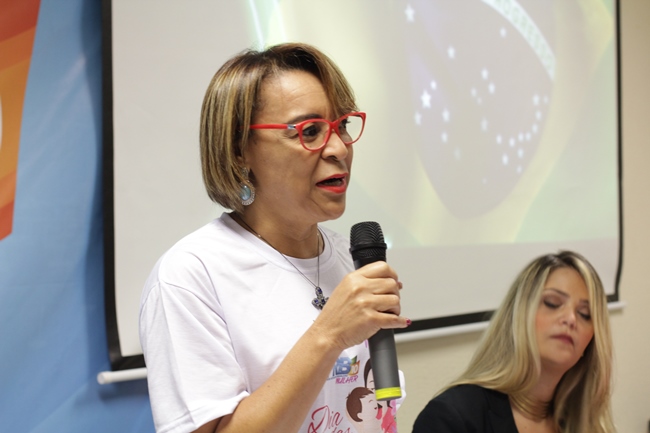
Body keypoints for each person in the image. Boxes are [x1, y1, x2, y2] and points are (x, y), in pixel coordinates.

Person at [139, 42, 409, 433]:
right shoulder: (190, 276)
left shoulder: (348, 258)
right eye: (310, 131)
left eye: (342, 126)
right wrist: (328, 335)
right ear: (239, 151)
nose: (338, 148)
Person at [412, 250, 616, 433]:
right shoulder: (452, 417)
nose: (571, 319)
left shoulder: (587, 425)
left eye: (585, 314)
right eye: (552, 303)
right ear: (518, 316)